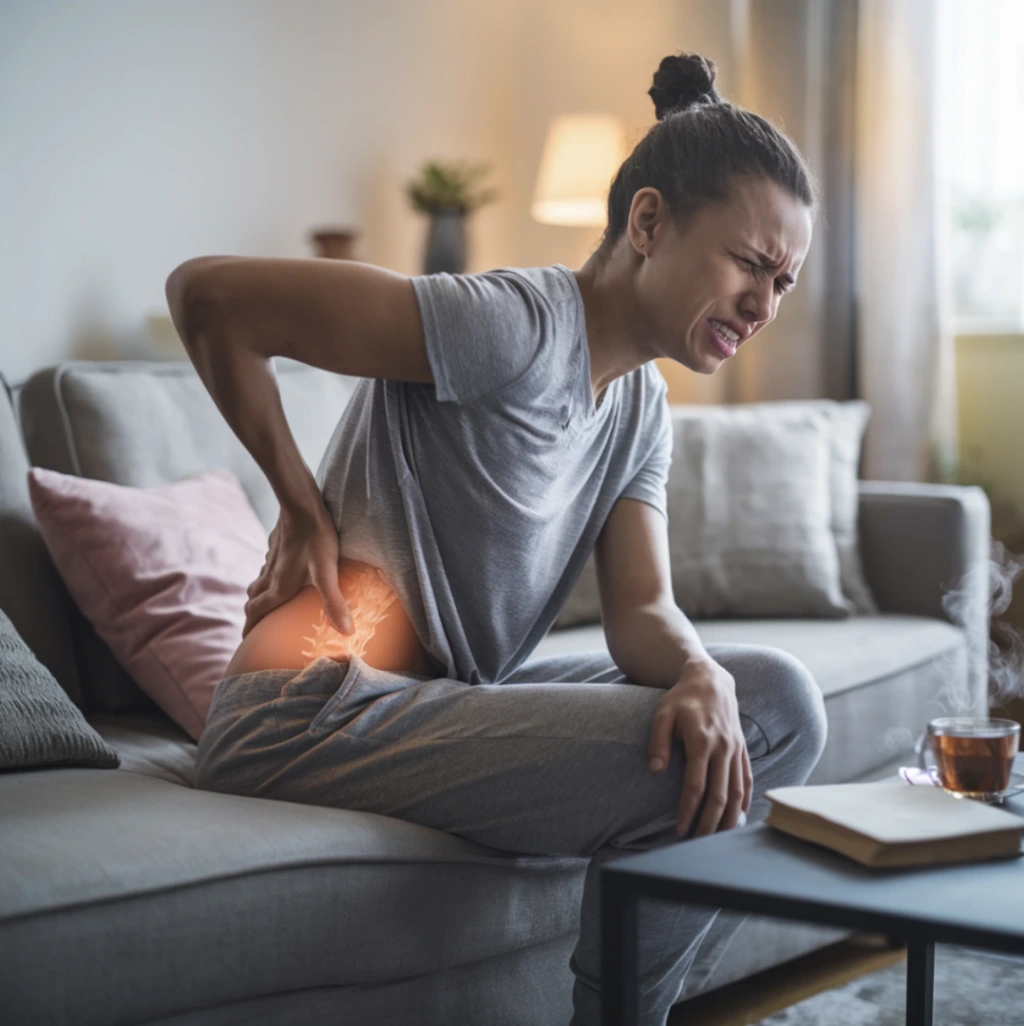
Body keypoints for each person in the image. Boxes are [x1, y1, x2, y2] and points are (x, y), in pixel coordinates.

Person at [169, 51, 828, 1026]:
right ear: (647, 223)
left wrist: (696, 669)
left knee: (771, 703)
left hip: (435, 699)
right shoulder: (509, 325)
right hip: (304, 708)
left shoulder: (639, 404)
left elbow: (639, 610)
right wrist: (299, 506)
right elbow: (209, 297)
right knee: (737, 733)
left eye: (784, 281)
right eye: (749, 263)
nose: (765, 306)